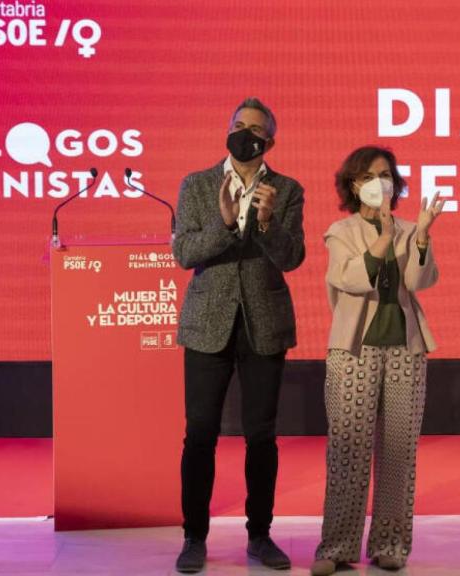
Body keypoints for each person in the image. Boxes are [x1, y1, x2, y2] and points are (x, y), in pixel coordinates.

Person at [172, 97, 305, 574]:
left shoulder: (286, 190)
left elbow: (292, 258)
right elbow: (184, 252)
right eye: (237, 125)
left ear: (269, 141)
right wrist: (225, 223)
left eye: (255, 128)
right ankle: (193, 537)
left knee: (261, 436)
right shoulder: (198, 184)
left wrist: (267, 224)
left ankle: (261, 534)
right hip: (207, 323)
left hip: (264, 325)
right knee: (200, 434)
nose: (244, 132)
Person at [310, 146, 444, 576]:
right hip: (354, 350)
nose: (379, 182)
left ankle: (390, 543)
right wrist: (384, 237)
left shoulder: (410, 229)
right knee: (349, 449)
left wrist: (420, 236)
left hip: (405, 349)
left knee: (398, 451)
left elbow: (419, 280)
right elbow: (348, 278)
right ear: (353, 184)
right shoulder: (340, 230)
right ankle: (336, 546)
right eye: (368, 176)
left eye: (385, 174)